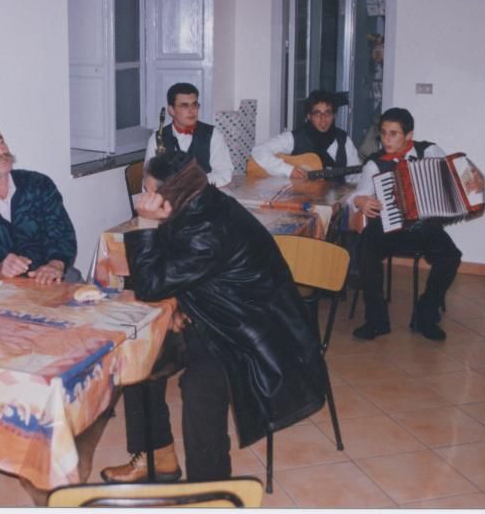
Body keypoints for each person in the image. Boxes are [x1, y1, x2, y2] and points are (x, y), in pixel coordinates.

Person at [100, 152, 327, 483]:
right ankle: (157, 457)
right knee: (138, 357)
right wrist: (180, 302)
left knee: (199, 389)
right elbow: (177, 268)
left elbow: (150, 285)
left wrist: (147, 222)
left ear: (170, 194)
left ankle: (210, 490)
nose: (142, 198)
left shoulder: (208, 227)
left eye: (148, 190)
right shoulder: (199, 203)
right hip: (217, 313)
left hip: (250, 332)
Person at [348, 107, 462, 341]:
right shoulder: (375, 164)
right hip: (389, 227)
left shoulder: (428, 151)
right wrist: (360, 201)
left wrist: (469, 182)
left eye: (393, 134)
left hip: (425, 227)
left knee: (451, 257)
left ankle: (425, 315)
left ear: (409, 135)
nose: (386, 140)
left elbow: (454, 176)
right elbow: (356, 195)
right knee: (365, 250)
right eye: (383, 133)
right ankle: (376, 321)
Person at [0, 118, 78, 282]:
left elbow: (62, 234)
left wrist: (55, 265)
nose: (0, 151)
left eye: (1, 142)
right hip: (2, 289)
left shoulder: (38, 184)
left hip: (55, 280)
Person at [250, 89, 361, 182]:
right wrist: (288, 170)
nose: (323, 119)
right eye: (317, 113)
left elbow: (356, 178)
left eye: (328, 113)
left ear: (334, 115)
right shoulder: (295, 138)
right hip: (300, 198)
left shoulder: (344, 140)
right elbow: (259, 150)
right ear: (309, 116)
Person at [144, 82, 234, 188]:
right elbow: (148, 180)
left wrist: (191, 184)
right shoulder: (156, 138)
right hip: (170, 197)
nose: (192, 111)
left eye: (194, 105)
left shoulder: (213, 134)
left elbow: (224, 173)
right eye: (184, 106)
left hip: (203, 195)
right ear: (171, 110)